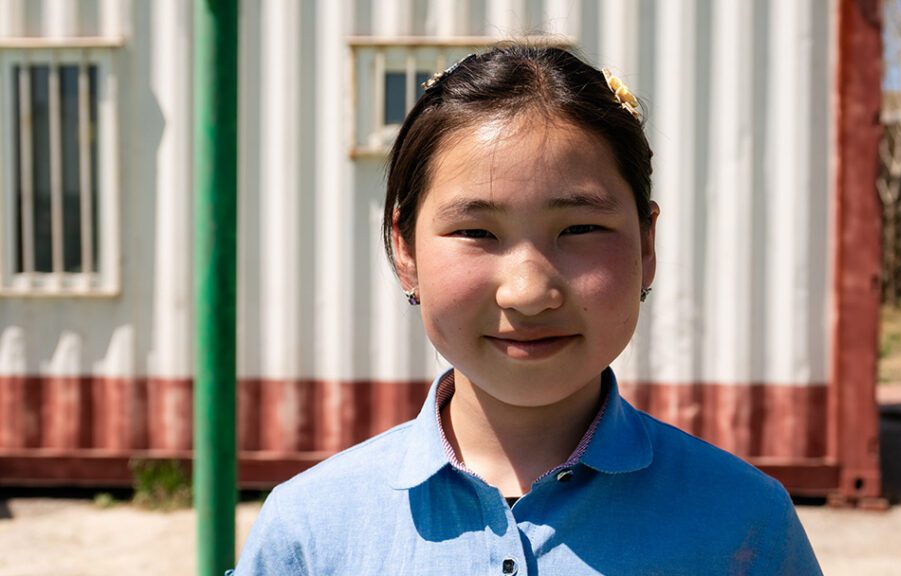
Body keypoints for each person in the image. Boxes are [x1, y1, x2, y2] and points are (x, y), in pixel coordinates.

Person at [231, 45, 822, 575]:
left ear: (646, 244)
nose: (529, 291)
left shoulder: (746, 524)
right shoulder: (310, 531)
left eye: (581, 227)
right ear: (405, 250)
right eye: (476, 231)